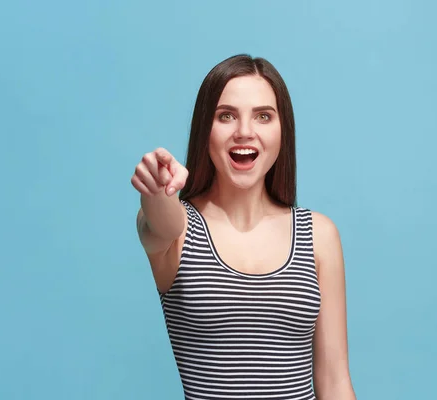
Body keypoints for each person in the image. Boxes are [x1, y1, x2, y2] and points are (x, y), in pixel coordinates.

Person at [131, 54, 357, 400]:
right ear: (205, 128)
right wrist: (159, 190)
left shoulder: (318, 235)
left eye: (263, 116)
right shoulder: (180, 230)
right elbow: (161, 220)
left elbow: (334, 382)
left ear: (284, 131)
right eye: (226, 116)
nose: (245, 132)